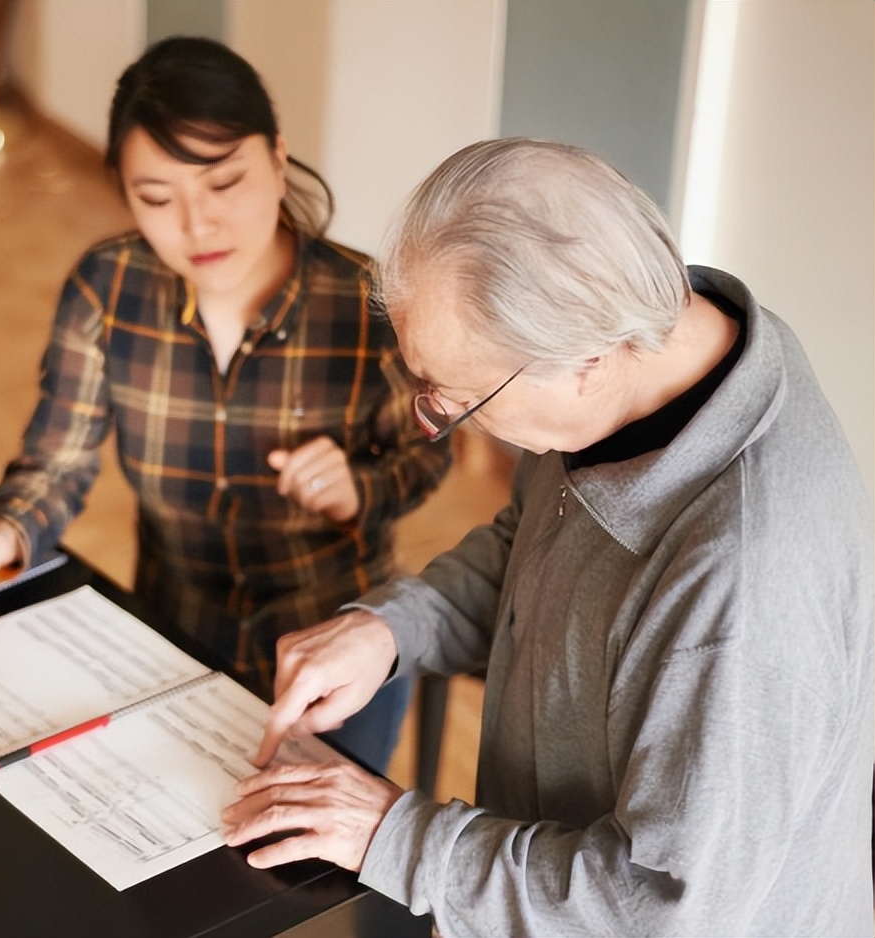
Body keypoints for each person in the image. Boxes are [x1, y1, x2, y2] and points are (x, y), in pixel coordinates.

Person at [221, 137, 874, 935]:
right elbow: (531, 542)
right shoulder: (662, 354)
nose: (435, 418)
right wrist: (392, 632)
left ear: (586, 360)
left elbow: (660, 913)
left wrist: (395, 838)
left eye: (452, 397)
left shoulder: (744, 588)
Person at [0, 37, 451, 771]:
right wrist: (4, 535)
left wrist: (358, 489)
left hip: (333, 655)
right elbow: (57, 460)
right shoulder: (105, 292)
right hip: (170, 635)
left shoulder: (366, 305)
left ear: (276, 157)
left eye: (223, 184)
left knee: (309, 874)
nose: (197, 226)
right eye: (156, 198)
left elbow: (430, 451)